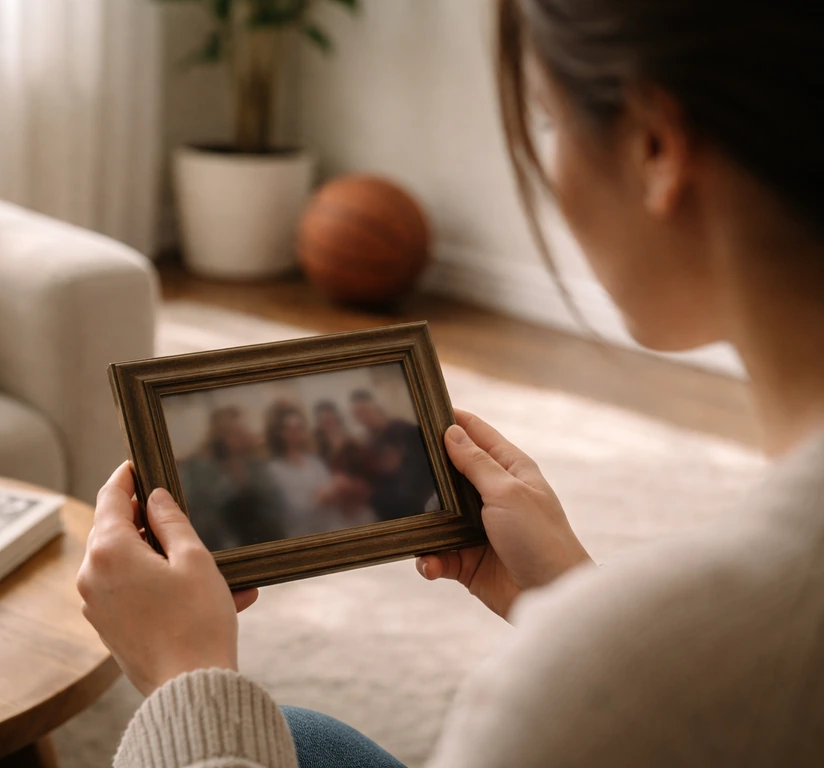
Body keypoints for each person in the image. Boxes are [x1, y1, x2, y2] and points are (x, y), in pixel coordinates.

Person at [77, 1, 824, 766]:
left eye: (547, 120)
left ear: (656, 147)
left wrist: (185, 682)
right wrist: (563, 592)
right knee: (300, 737)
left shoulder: (584, 686)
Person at [176, 406, 286, 551]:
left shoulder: (255, 463)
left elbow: (274, 498)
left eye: (241, 430)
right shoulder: (200, 466)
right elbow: (203, 507)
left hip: (265, 536)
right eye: (232, 432)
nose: (241, 434)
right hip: (224, 540)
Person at [349, 390, 440, 520]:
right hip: (393, 509)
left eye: (365, 411)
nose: (364, 418)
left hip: (421, 503)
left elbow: (426, 468)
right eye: (358, 415)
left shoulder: (406, 431)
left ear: (377, 408)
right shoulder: (368, 445)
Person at [264, 401, 350, 538]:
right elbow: (292, 510)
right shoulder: (274, 470)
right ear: (280, 433)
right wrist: (321, 497)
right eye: (289, 429)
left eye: (299, 428)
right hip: (304, 537)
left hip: (333, 530)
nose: (295, 433)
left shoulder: (314, 462)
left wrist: (337, 489)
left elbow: (333, 495)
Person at [312, 400, 376, 526]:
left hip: (359, 507)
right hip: (333, 512)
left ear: (338, 420)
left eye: (332, 420)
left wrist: (350, 484)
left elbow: (370, 476)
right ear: (320, 425)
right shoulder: (318, 451)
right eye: (325, 422)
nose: (330, 424)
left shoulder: (354, 446)